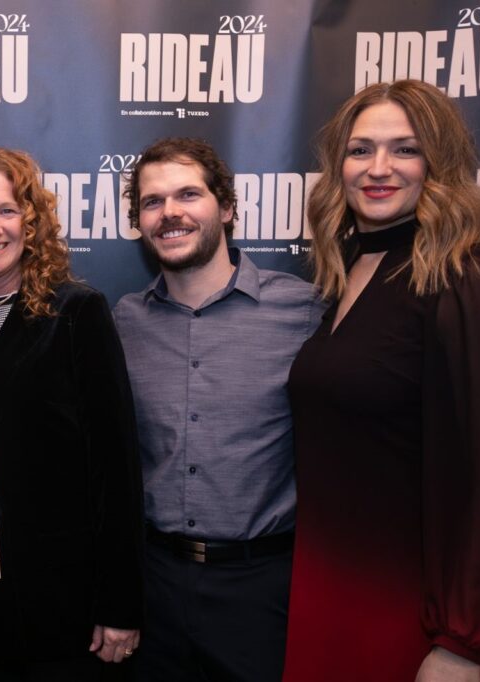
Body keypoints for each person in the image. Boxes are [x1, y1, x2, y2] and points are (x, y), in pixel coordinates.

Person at [283, 79, 480, 682]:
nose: (378, 168)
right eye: (360, 150)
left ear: (437, 162)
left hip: (411, 609)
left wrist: (463, 641)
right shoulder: (351, 268)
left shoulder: (470, 277)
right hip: (326, 585)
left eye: (404, 149)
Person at [0, 146, 144, 680]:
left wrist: (120, 606)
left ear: (31, 223)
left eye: (8, 211)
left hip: (62, 610)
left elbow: (116, 468)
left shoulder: (75, 312)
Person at [112, 137, 323, 682]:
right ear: (139, 221)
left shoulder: (302, 311)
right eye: (153, 202)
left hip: (261, 590)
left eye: (188, 194)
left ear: (226, 208)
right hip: (153, 587)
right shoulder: (123, 323)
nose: (170, 213)